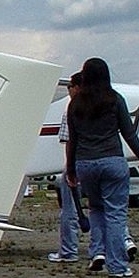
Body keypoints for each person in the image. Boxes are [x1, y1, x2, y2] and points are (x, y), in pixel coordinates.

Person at [66, 57, 139, 278]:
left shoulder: (75, 104)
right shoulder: (114, 100)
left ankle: (97, 253)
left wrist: (71, 170)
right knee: (116, 213)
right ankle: (118, 266)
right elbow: (129, 134)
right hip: (112, 160)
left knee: (96, 209)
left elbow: (73, 139)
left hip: (85, 163)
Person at [49, 73, 86, 263]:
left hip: (78, 164)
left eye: (71, 86)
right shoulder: (106, 106)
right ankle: (107, 249)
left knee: (69, 209)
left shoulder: (71, 110)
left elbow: (68, 142)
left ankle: (68, 251)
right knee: (106, 209)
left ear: (77, 88)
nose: (69, 90)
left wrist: (69, 169)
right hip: (101, 161)